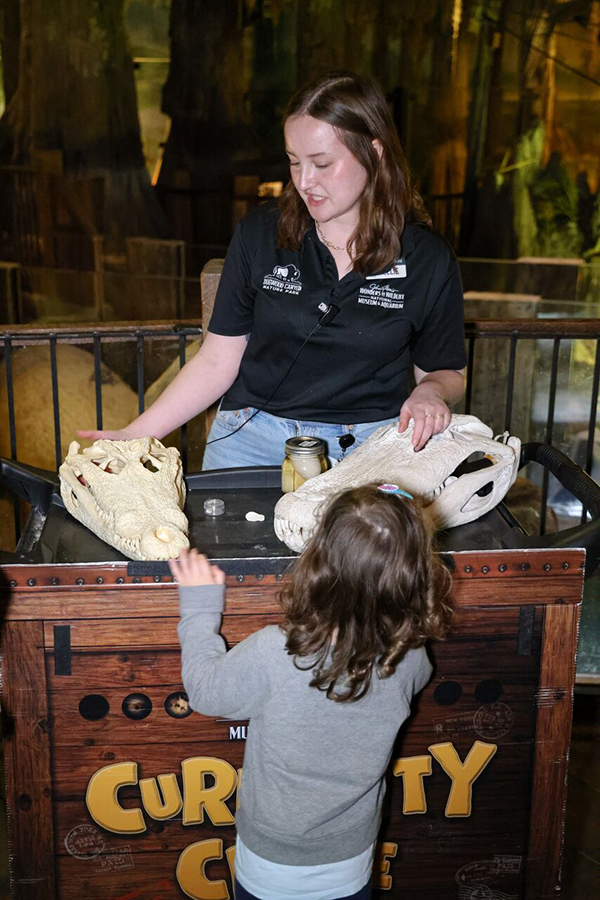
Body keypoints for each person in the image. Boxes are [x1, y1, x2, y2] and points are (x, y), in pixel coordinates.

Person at [79, 71, 466, 467]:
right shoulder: (260, 234)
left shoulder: (427, 257)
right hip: (253, 433)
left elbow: (445, 370)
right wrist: (134, 436)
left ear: (375, 152)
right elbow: (217, 360)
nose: (304, 181)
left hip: (371, 442)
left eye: (322, 163)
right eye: (294, 163)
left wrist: (431, 391)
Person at [169, 485, 453, 900]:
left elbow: (205, 692)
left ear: (318, 559)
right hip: (351, 859)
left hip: (271, 865)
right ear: (417, 572)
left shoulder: (276, 651)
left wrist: (199, 609)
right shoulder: (410, 656)